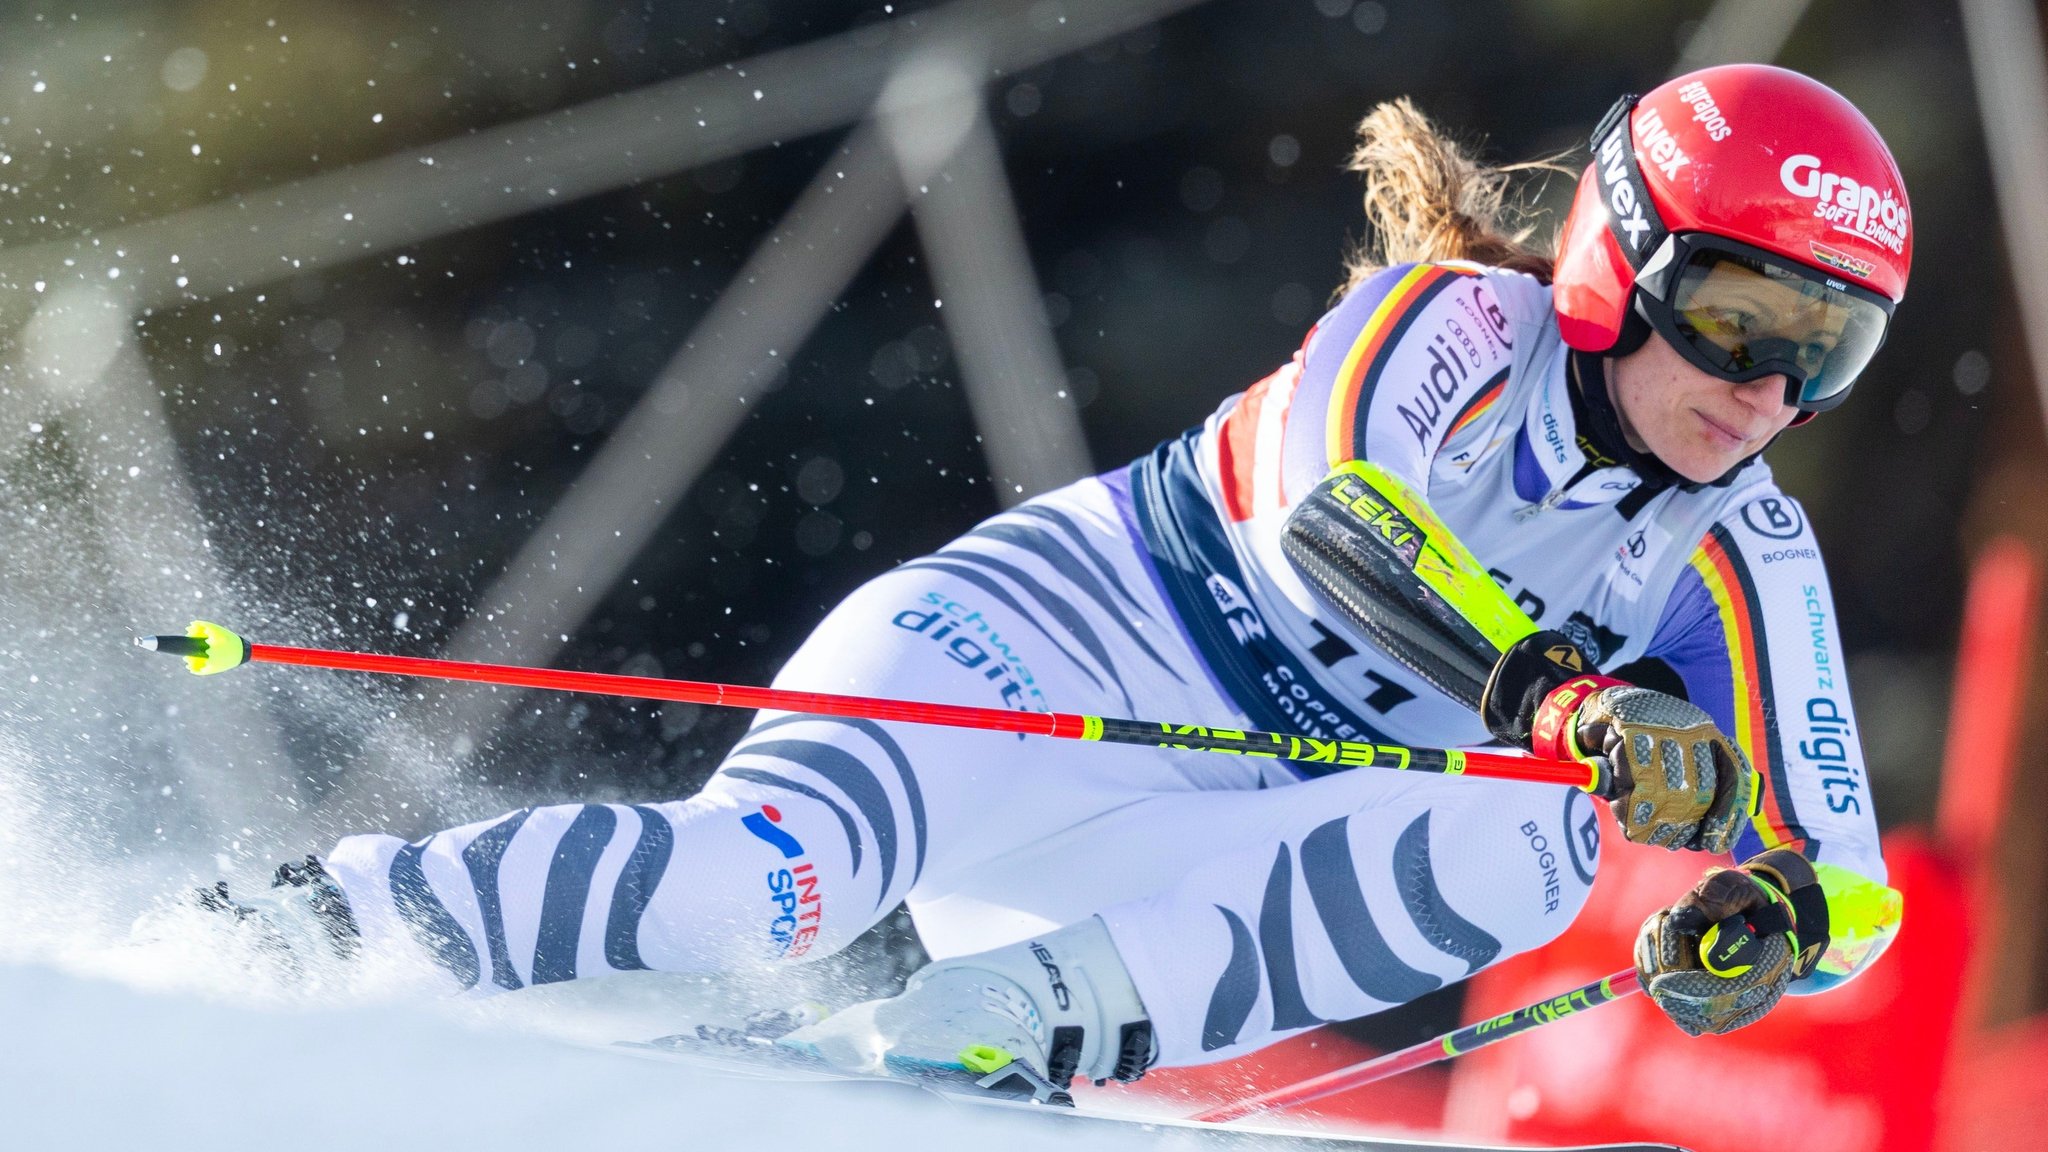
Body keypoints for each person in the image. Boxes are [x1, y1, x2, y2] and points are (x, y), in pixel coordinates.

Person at [228, 63, 1907, 1093]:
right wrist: (1571, 697)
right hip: (1055, 655)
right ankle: (303, 934)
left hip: (1190, 846)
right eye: (1744, 315)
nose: (1768, 389)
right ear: (1626, 256)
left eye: (1828, 350)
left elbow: (1853, 888)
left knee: (1543, 842)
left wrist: (1769, 922)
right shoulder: (1458, 328)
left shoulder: (1744, 548)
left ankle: (1010, 1022)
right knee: (745, 899)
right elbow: (1336, 526)